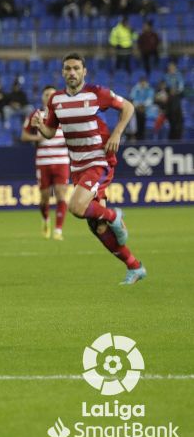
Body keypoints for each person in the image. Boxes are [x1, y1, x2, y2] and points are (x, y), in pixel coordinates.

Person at [32, 52, 146, 285]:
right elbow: (51, 132)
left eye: (76, 68)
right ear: (62, 72)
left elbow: (128, 108)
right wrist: (40, 126)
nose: (71, 72)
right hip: (78, 166)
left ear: (84, 72)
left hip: (99, 160)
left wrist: (117, 133)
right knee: (97, 226)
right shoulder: (55, 100)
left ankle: (115, 215)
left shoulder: (96, 93)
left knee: (76, 206)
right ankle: (135, 266)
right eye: (67, 69)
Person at [21, 86, 70, 240]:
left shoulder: (65, 114)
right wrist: (38, 138)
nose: (49, 96)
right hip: (44, 161)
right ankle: (45, 219)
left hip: (61, 160)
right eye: (46, 94)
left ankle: (58, 230)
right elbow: (24, 136)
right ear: (42, 98)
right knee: (44, 197)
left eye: (52, 94)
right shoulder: (36, 115)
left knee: (62, 194)